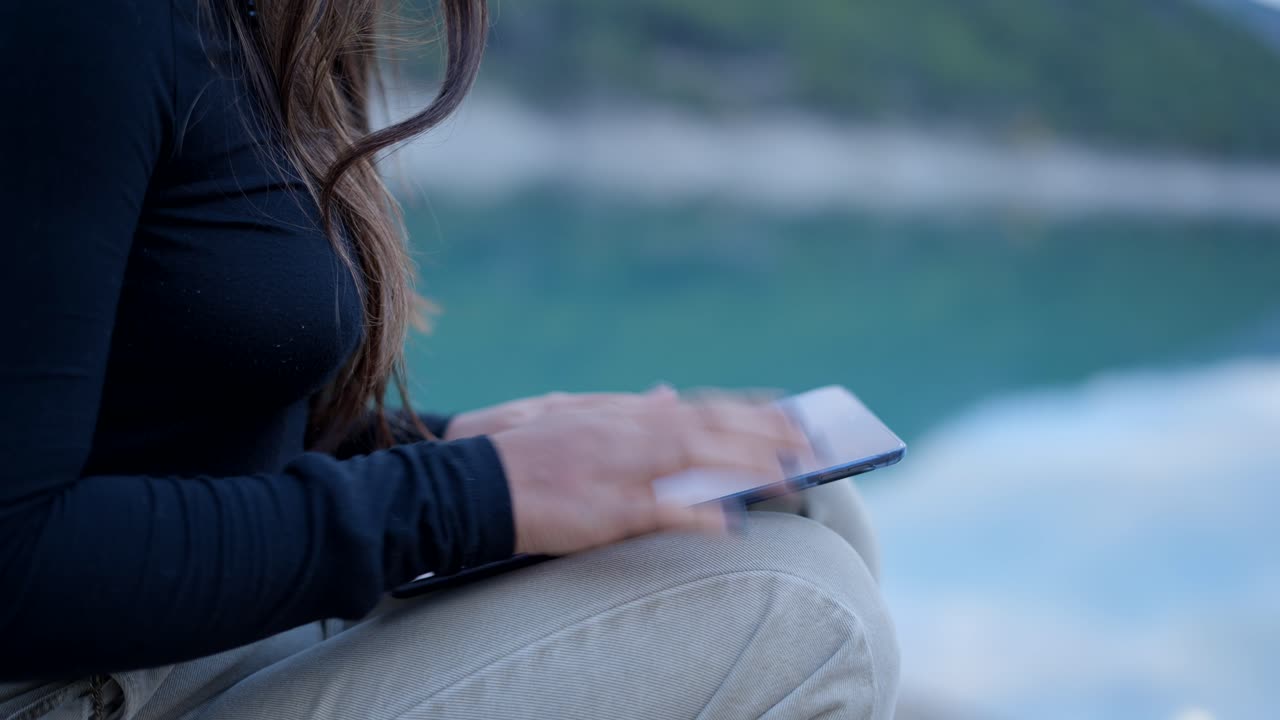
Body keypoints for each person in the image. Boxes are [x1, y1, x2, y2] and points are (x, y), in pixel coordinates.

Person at [0, 1, 899, 718]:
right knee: (806, 610)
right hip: (69, 682)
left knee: (809, 495)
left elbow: (156, 415)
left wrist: (443, 444)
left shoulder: (274, 22)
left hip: (197, 629)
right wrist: (480, 493)